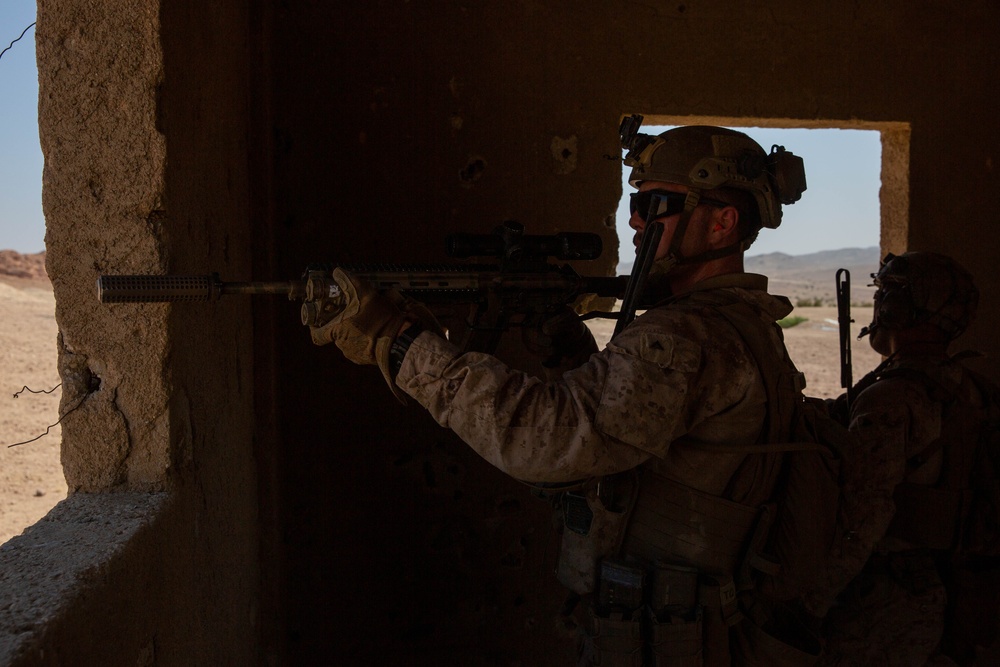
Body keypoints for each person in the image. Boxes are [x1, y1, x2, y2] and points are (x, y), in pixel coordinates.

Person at [310, 124, 814, 665]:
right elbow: (641, 435)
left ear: (722, 224)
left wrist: (398, 343)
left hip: (672, 637)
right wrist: (573, 352)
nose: (636, 221)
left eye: (655, 203)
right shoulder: (739, 326)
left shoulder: (687, 337)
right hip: (686, 627)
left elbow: (550, 444)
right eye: (635, 204)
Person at [820, 251, 1000, 666]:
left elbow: (859, 517)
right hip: (957, 596)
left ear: (896, 308)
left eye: (884, 297)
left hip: (887, 606)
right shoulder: (973, 389)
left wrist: (809, 601)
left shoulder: (891, 399)